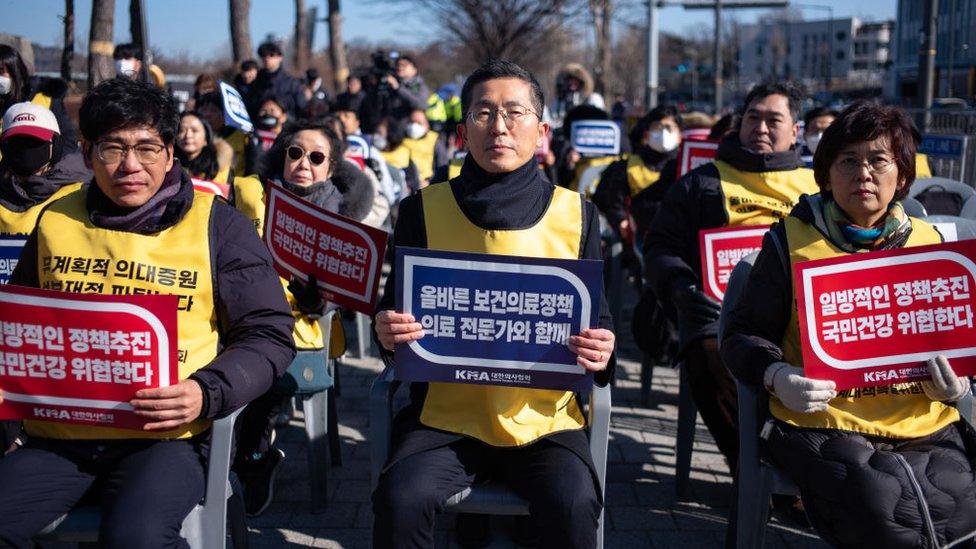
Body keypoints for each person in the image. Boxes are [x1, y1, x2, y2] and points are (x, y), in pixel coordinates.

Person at [0, 76, 295, 548]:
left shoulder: (219, 224)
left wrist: (206, 391)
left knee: (135, 537)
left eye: (147, 148)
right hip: (60, 436)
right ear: (89, 152)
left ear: (171, 152)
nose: (130, 166)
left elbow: (270, 335)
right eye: (112, 149)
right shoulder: (55, 218)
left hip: (168, 439)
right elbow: (17, 327)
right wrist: (10, 426)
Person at [371, 59, 615, 549]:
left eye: (514, 112)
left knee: (572, 505)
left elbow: (600, 321)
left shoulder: (578, 215)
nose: (499, 127)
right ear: (462, 130)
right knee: (401, 499)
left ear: (541, 130)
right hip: (445, 418)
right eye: (483, 113)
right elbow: (396, 313)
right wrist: (386, 331)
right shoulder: (421, 209)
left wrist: (603, 349)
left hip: (544, 420)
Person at [722, 101, 976, 548]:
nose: (864, 174)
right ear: (826, 173)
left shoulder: (929, 244)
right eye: (849, 161)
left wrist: (959, 385)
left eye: (879, 160)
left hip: (923, 418)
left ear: (901, 174)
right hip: (823, 421)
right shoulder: (789, 240)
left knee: (959, 496)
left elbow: (958, 335)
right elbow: (741, 337)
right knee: (880, 503)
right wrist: (776, 375)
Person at [645, 81, 819, 471]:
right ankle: (755, 471)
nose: (760, 128)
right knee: (709, 357)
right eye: (752, 118)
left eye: (773, 119)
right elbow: (660, 248)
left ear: (796, 131)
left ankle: (807, 468)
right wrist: (682, 289)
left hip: (800, 319)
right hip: (717, 316)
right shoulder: (700, 181)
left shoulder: (818, 189)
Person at [233, 118, 348, 516]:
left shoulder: (337, 215)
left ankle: (252, 463)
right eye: (294, 152)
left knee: (259, 377)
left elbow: (337, 298)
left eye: (316, 157)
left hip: (301, 330)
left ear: (330, 168)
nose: (304, 163)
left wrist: (318, 299)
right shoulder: (251, 200)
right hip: (243, 321)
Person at [0, 103, 89, 452]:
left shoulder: (81, 196)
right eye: (16, 142)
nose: (25, 151)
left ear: (53, 144)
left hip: (57, 333)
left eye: (34, 141)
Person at [592, 104, 682, 246]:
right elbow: (614, 202)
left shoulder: (684, 166)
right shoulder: (627, 166)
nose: (664, 133)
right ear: (647, 134)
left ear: (679, 136)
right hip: (637, 236)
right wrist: (621, 220)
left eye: (669, 128)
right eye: (658, 128)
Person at [0, 44, 78, 152]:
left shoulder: (44, 98)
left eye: (1, 71)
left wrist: (52, 165)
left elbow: (68, 140)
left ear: (15, 70)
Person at [245, 42, 306, 119]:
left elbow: (301, 109)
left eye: (271, 55)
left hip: (287, 127)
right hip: (260, 127)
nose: (267, 58)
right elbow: (250, 108)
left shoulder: (292, 83)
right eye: (263, 55)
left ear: (280, 58)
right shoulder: (256, 83)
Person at [175, 111, 228, 188]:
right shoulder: (167, 165)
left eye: (194, 130)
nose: (188, 135)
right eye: (182, 130)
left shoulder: (220, 170)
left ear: (206, 138)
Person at [401, 109, 446, 187]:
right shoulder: (401, 140)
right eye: (412, 122)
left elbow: (442, 167)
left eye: (419, 123)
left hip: (429, 185)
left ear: (426, 125)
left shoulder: (435, 140)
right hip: (406, 184)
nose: (414, 126)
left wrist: (431, 182)